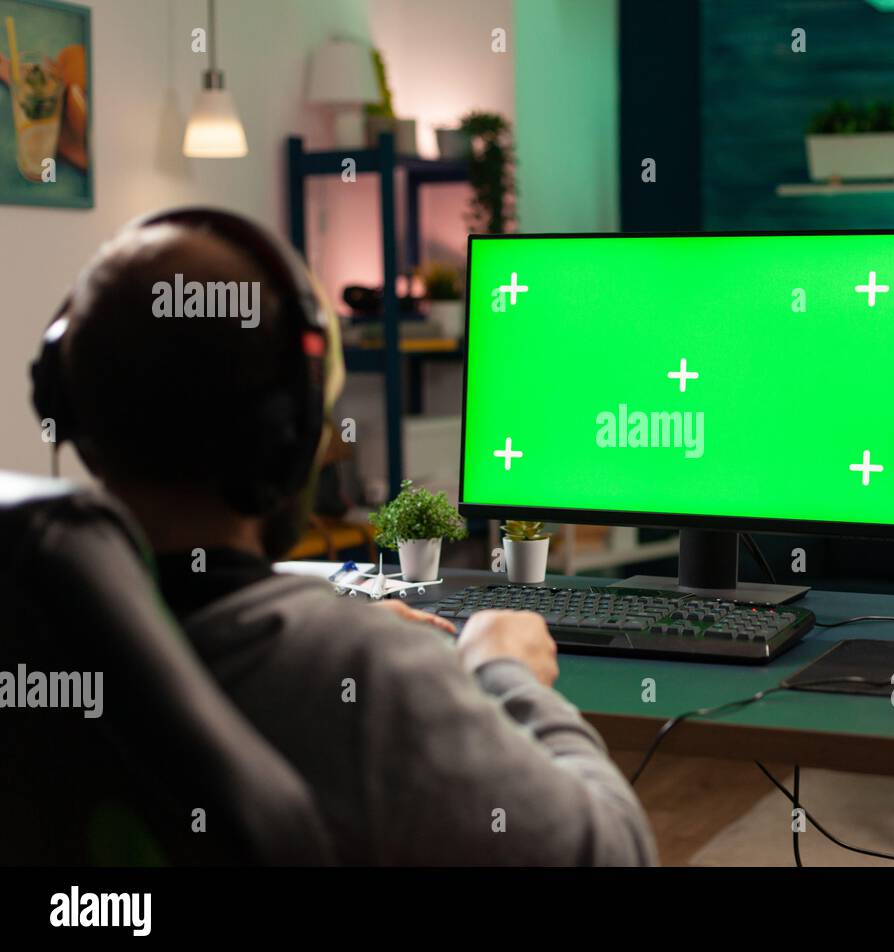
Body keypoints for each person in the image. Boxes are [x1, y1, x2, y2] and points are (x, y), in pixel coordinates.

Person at [42, 208, 657, 866]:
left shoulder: (37, 624)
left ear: (71, 412)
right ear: (294, 432)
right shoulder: (363, 676)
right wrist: (505, 675)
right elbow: (616, 854)